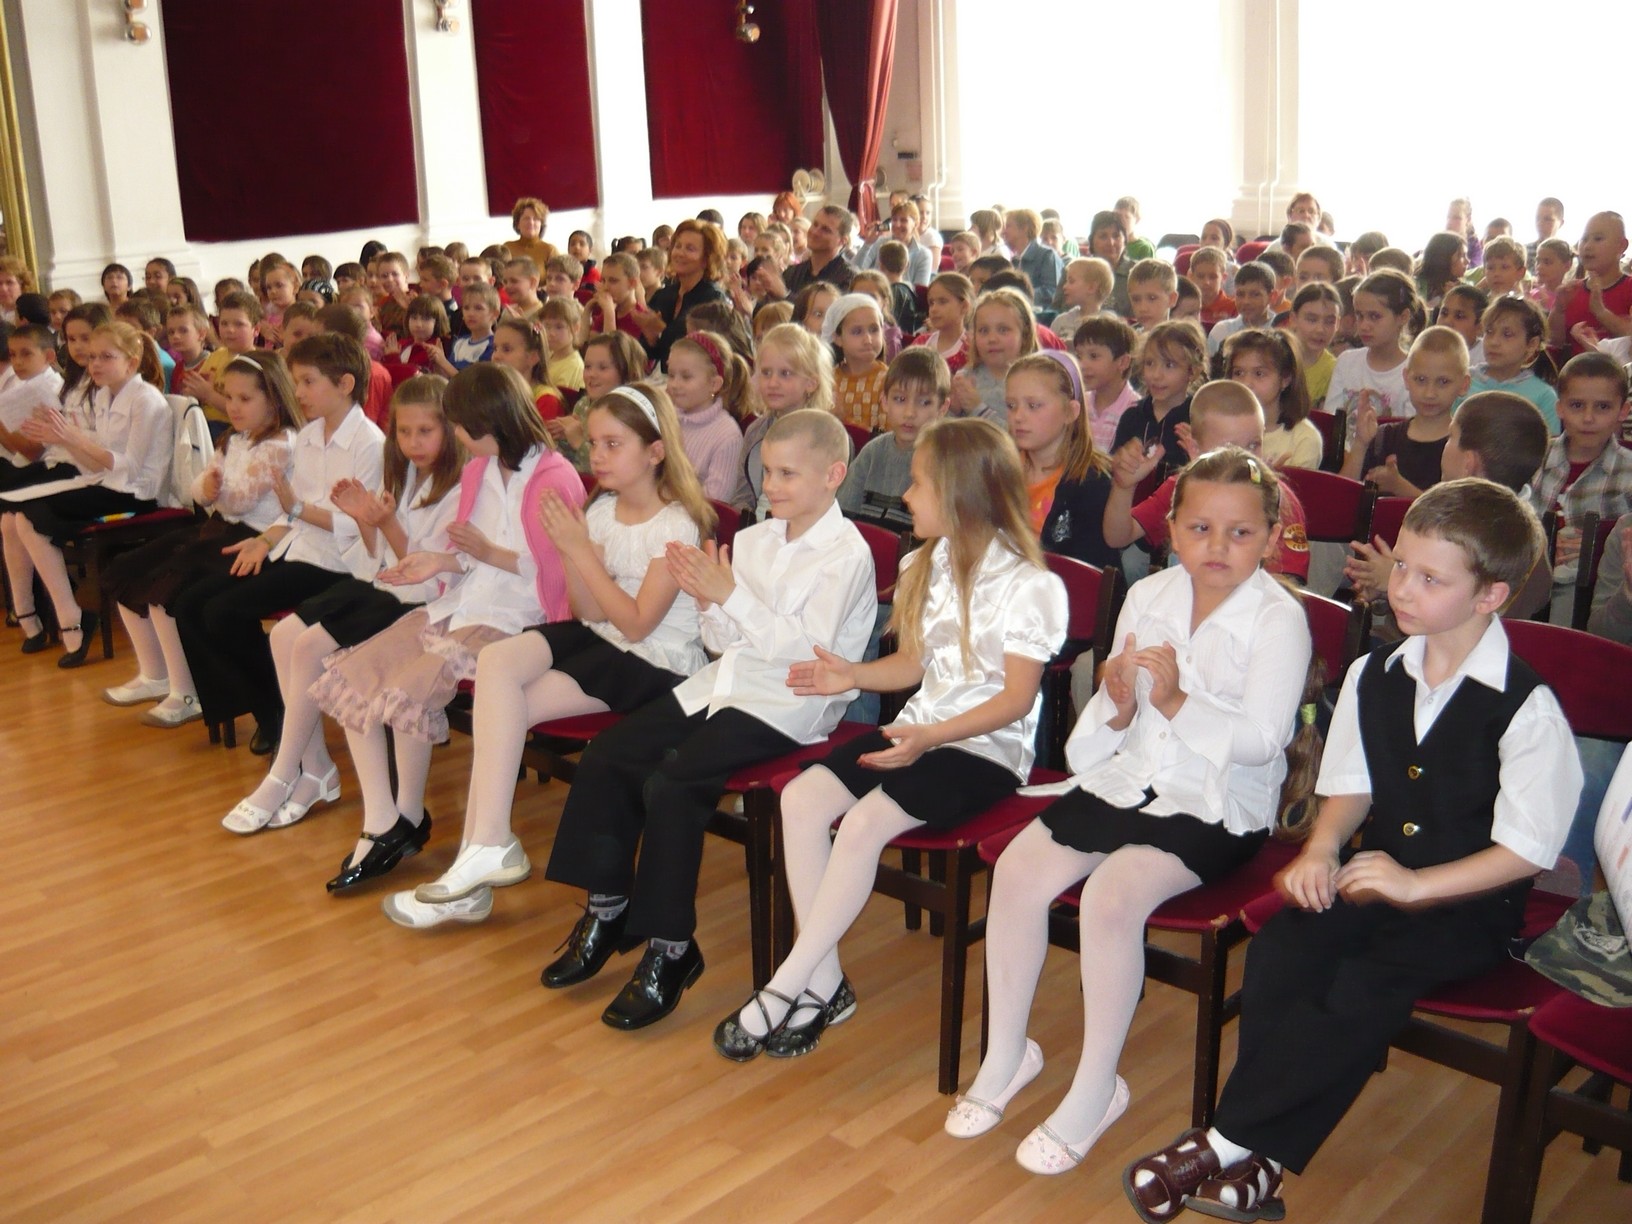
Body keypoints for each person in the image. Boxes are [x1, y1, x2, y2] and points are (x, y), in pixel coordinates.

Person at [1125, 479, 1580, 1224]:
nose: (1402, 588)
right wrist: (1321, 848)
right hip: (1374, 877)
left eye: (1430, 579)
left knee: (1363, 984)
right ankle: (1261, 1163)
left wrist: (1416, 885)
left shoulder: (1526, 707)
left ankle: (1223, 1142)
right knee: (1283, 952)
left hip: (1467, 907)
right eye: (1401, 567)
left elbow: (1527, 851)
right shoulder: (1375, 673)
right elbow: (1351, 787)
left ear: (1491, 595)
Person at [955, 446, 1310, 1176]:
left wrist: (1175, 700)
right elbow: (1117, 716)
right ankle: (1007, 1051)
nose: (1217, 546)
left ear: (1271, 538)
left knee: (1112, 897)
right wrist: (1118, 705)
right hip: (1136, 776)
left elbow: (1262, 742)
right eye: (1200, 528)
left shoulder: (1280, 619)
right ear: (1171, 530)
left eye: (1241, 532)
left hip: (1218, 803)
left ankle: (1097, 1086)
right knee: (1017, 870)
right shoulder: (1149, 595)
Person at [713, 417, 1068, 1060]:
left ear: (961, 494)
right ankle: (825, 983)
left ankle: (789, 981)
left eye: (919, 483)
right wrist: (850, 675)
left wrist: (930, 735)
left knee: (862, 824)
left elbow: (1016, 701)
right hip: (920, 729)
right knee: (802, 798)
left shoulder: (1031, 585)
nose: (906, 496)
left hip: (985, 750)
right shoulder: (925, 564)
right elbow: (911, 666)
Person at [534, 409, 879, 1027]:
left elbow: (812, 656)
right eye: (766, 471)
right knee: (611, 753)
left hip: (792, 704)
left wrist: (729, 597)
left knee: (673, 781)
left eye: (788, 474)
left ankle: (671, 949)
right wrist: (710, 605)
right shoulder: (754, 539)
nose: (770, 486)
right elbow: (723, 643)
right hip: (726, 684)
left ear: (833, 475)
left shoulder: (846, 555)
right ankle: (607, 911)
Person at [380, 382, 712, 929]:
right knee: (497, 670)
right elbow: (586, 610)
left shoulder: (677, 523)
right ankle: (485, 849)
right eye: (595, 443)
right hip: (602, 639)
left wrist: (578, 552)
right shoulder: (601, 512)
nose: (597, 456)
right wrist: (572, 552)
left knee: (500, 711)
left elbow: (636, 623)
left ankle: (478, 865)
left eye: (613, 444)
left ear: (656, 451)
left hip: (654, 662)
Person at [225, 376, 465, 855]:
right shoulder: (405, 474)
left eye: (425, 431)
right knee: (282, 636)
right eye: (404, 432)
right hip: (385, 584)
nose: (413, 443)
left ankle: (284, 771)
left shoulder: (457, 487)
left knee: (311, 646)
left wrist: (382, 522)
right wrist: (366, 520)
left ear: (450, 430)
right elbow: (375, 560)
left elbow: (424, 575)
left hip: (418, 601)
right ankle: (314, 765)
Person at [171, 334, 385, 754]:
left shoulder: (370, 444)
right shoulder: (309, 436)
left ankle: (272, 712)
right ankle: (257, 705)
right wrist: (264, 540)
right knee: (192, 602)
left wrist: (297, 512)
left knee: (223, 610)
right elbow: (292, 513)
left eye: (308, 382)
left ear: (344, 384)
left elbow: (360, 524)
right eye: (296, 381)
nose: (298, 392)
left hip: (339, 563)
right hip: (297, 547)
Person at [101, 353, 300, 728]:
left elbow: (240, 501)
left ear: (274, 399)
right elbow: (200, 489)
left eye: (244, 399)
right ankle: (155, 673)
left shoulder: (282, 443)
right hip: (220, 529)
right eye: (229, 396)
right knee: (126, 569)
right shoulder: (234, 438)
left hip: (256, 540)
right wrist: (208, 488)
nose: (232, 406)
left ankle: (187, 692)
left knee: (167, 589)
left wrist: (213, 491)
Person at [2, 321, 171, 668]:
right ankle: (46, 615)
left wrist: (72, 438)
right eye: (92, 357)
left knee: (31, 517)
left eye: (106, 357)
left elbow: (129, 468)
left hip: (135, 494)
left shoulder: (147, 400)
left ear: (131, 361)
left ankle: (72, 619)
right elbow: (94, 465)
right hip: (105, 483)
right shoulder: (106, 395)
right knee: (15, 514)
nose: (94, 364)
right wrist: (63, 438)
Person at [1345, 391, 1552, 627]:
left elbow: (1468, 625)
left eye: (1451, 437)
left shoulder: (1486, 535)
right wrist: (1385, 587)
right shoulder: (1526, 529)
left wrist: (1393, 578)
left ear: (1468, 463)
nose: (1445, 445)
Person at [1529, 352, 1632, 620]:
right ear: (1560, 408)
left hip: (1595, 593)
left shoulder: (1628, 472)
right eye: (1576, 405)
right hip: (1531, 582)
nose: (1588, 418)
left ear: (1623, 411)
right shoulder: (1535, 459)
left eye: (1602, 407)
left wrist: (1593, 548)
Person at [1006, 351, 1118, 568]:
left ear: (1070, 412)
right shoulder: (1000, 470)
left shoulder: (1093, 482)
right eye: (1011, 405)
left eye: (1033, 405)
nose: (1018, 416)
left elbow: (1086, 573)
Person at [1341, 325, 1468, 498]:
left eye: (1443, 382)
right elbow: (1342, 498)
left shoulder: (1463, 447)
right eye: (1420, 379)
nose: (1430, 393)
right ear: (1406, 379)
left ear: (1464, 385)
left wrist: (1401, 488)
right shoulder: (1383, 437)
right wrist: (1360, 444)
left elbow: (1452, 511)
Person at [840, 347, 949, 531]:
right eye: (900, 399)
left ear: (942, 408)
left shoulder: (946, 460)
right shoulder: (872, 453)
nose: (910, 413)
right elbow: (843, 518)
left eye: (924, 402)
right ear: (884, 401)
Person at [730, 323, 834, 516]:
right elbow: (743, 495)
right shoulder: (755, 431)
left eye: (785, 374)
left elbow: (824, 503)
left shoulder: (826, 437)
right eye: (766, 373)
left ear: (811, 383)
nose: (773, 383)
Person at [1111, 320, 1208, 489]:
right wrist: (1119, 461)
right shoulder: (1132, 416)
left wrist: (1200, 453)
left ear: (1193, 371)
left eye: (1169, 365)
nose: (1156, 375)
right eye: (1150, 363)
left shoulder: (1198, 420)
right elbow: (1114, 472)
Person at [1326, 269, 1425, 432]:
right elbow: (1331, 420)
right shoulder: (1346, 361)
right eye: (1359, 315)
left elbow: (1410, 432)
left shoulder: (1414, 372)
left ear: (1403, 317)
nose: (1364, 325)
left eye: (1374, 316)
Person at [666, 331, 750, 502]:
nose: (674, 384)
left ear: (714, 384)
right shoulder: (666, 418)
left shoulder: (727, 435)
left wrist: (666, 495)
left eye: (686, 377)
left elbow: (716, 499)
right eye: (671, 375)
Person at [639, 219, 729, 372]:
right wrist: (650, 338)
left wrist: (661, 329)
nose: (679, 253)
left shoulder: (713, 299)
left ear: (707, 259)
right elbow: (653, 353)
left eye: (690, 249)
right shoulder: (663, 294)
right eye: (677, 246)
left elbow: (705, 351)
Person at [1224, 329, 1321, 469]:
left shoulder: (1304, 438)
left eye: (1259, 374)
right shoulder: (1223, 426)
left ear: (1285, 379)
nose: (1246, 383)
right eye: (1238, 373)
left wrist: (1268, 478)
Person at [949, 287, 1038, 426]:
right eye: (984, 331)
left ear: (1025, 335)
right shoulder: (966, 378)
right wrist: (952, 411)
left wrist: (978, 409)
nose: (992, 339)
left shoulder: (1037, 383)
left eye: (1003, 330)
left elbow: (1023, 435)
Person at [1549, 211, 1632, 357]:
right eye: (1584, 239)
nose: (1587, 246)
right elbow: (1555, 342)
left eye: (1598, 239)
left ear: (1621, 246)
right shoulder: (1572, 290)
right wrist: (1559, 309)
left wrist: (1601, 312)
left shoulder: (1629, 287)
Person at [1471, 297, 1558, 433]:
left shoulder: (1543, 396)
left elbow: (1549, 443)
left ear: (1532, 344)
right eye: (1489, 332)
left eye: (1507, 334)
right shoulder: (1464, 380)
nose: (1494, 342)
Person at [0, 324, 65, 490]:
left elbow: (31, 452)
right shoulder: (24, 383)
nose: (17, 362)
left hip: (42, 470)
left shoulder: (53, 391)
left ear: (49, 356)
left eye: (26, 354)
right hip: (18, 465)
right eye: (12, 355)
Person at [1072, 315, 1139, 456]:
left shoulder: (1136, 409)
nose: (1082, 365)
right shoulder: (1079, 404)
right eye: (1078, 356)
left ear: (1123, 362)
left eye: (1093, 356)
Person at [825, 293, 889, 434]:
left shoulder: (889, 380)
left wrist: (844, 421)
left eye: (874, 330)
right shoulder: (829, 380)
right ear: (837, 338)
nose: (868, 339)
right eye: (857, 331)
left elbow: (887, 436)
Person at [1206, 262, 1277, 357]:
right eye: (1240, 294)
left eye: (1255, 294)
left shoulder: (1281, 330)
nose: (1246, 301)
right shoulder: (1222, 331)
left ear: (1272, 296)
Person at [910, 271, 974, 374]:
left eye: (942, 302)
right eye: (931, 303)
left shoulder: (969, 348)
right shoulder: (922, 342)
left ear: (964, 306)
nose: (933, 309)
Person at [503, 195, 558, 271]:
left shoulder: (550, 250)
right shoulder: (507, 248)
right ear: (517, 224)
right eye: (526, 218)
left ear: (541, 224)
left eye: (535, 219)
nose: (531, 222)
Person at [1189, 247, 1236, 331]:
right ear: (1191, 277)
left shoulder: (1234, 307)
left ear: (1223, 278)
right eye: (1200, 276)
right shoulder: (1186, 308)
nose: (1206, 282)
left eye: (1213, 277)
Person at [1126, 260, 1177, 334]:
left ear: (1172, 299)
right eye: (1136, 299)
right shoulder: (1126, 338)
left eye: (1152, 298)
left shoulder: (1183, 339)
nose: (1143, 308)